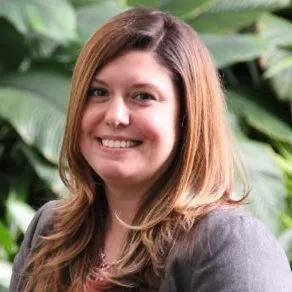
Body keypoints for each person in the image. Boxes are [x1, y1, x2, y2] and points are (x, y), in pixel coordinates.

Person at [10, 7, 292, 292]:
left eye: (142, 96)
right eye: (98, 92)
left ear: (187, 118)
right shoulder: (51, 230)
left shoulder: (227, 245)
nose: (115, 116)